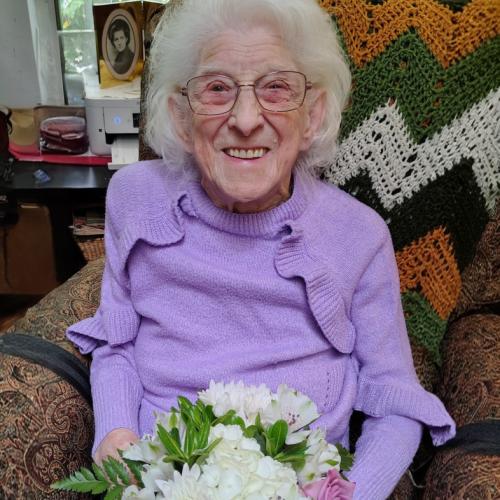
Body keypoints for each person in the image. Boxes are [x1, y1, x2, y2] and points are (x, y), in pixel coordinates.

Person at [68, 0, 455, 497]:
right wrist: (117, 432)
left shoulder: (358, 235)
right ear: (180, 116)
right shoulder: (135, 198)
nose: (246, 119)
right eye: (217, 88)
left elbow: (397, 404)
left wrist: (353, 493)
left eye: (276, 88)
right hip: (161, 480)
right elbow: (116, 342)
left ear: (313, 114)